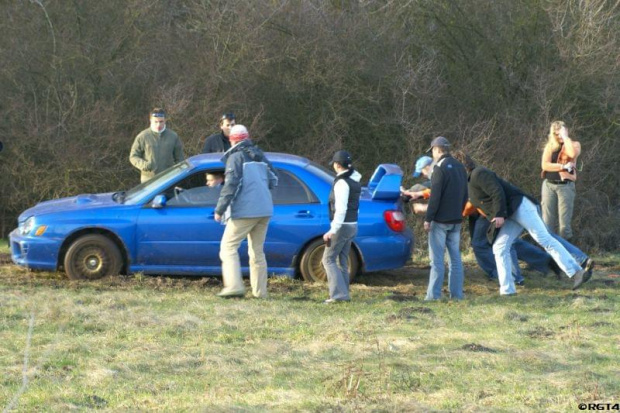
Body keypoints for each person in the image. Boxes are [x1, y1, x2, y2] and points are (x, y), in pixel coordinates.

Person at [452, 151, 591, 295]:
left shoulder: (478, 174)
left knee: (544, 238)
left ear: (460, 167)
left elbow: (497, 192)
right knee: (499, 248)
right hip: (511, 214)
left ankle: (576, 272)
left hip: (521, 207)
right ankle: (507, 291)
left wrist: (498, 214)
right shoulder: (469, 183)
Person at [214, 125, 278, 298]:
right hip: (264, 209)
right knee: (257, 252)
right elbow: (274, 179)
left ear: (232, 140)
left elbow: (231, 185)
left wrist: (219, 209)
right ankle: (260, 293)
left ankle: (234, 286)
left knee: (228, 247)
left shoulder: (235, 157)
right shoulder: (259, 155)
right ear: (247, 137)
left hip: (245, 211)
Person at [423, 137, 468, 301]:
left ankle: (433, 296)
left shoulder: (439, 168)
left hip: (440, 221)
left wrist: (428, 218)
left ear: (436, 150)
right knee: (455, 260)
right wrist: (460, 212)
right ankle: (456, 295)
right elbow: (465, 194)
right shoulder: (460, 167)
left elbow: (435, 196)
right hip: (456, 220)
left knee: (437, 261)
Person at [322, 150, 362, 304]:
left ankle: (338, 295)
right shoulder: (354, 181)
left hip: (342, 226)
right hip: (352, 224)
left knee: (328, 259)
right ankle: (344, 292)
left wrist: (332, 230)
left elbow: (341, 209)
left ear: (337, 165)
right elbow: (355, 207)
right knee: (342, 260)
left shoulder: (342, 183)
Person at [541, 121, 581, 240]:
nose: (559, 137)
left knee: (564, 225)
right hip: (548, 185)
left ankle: (569, 254)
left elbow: (572, 154)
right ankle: (549, 255)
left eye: (561, 133)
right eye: (556, 134)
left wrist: (565, 137)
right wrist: (562, 166)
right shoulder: (550, 146)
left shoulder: (574, 144)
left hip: (565, 186)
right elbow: (545, 165)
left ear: (566, 131)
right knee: (546, 223)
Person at [129, 108, 184, 183]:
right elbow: (133, 156)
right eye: (156, 122)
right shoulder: (143, 136)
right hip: (148, 181)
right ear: (150, 121)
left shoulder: (173, 136)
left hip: (168, 180)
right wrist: (144, 165)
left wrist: (176, 173)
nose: (159, 124)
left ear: (165, 121)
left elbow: (180, 159)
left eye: (161, 122)